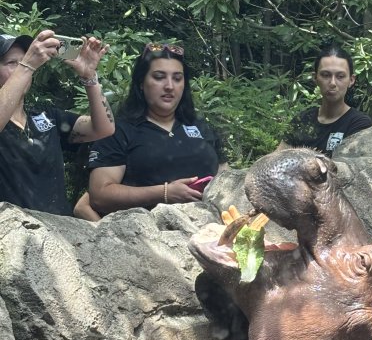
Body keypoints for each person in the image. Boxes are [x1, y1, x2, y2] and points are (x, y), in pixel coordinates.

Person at [86, 42, 220, 216]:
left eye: (177, 78)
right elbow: (100, 195)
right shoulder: (119, 131)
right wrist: (163, 193)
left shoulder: (199, 126)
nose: (169, 86)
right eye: (159, 77)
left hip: (209, 231)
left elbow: (226, 180)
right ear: (141, 83)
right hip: (144, 234)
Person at [0, 29, 115, 216]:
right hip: (12, 238)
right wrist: (27, 65)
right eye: (13, 63)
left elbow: (103, 128)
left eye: (24, 60)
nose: (22, 67)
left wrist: (89, 77)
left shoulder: (47, 116)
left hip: (58, 236)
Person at [284, 48, 372, 155]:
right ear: (315, 78)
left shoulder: (360, 124)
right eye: (326, 75)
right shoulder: (302, 120)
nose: (332, 83)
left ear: (351, 80)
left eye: (340, 76)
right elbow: (277, 159)